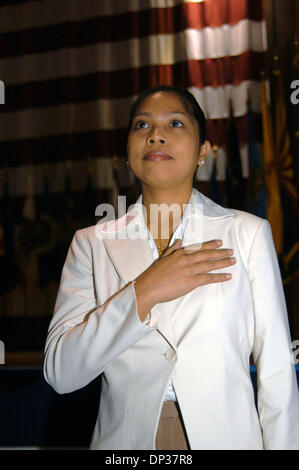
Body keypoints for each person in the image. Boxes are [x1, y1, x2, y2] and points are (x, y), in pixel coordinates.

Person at [43, 85, 299, 450]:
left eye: (175, 123)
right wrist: (144, 291)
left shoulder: (248, 234)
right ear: (128, 153)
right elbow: (61, 373)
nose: (156, 135)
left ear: (203, 152)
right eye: (141, 125)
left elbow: (276, 375)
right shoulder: (91, 244)